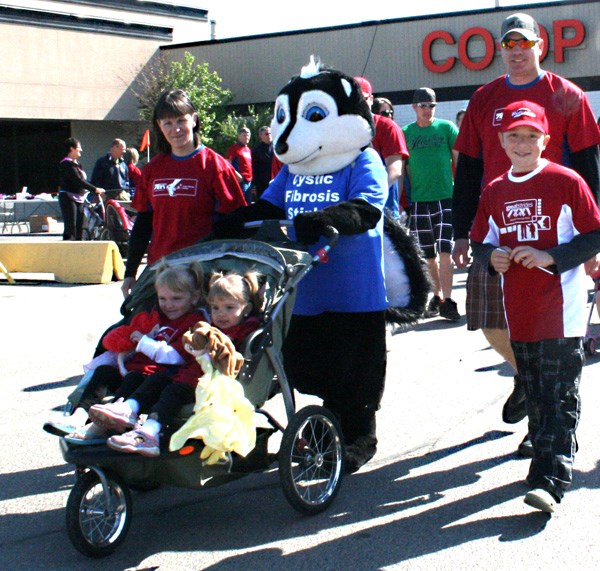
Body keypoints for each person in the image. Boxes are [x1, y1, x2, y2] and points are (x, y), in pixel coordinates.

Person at [452, 12, 600, 455]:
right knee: (488, 324)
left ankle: (544, 426)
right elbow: (470, 168)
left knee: (552, 336)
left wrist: (592, 243)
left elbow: (590, 168)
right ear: (501, 50)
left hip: (554, 237)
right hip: (496, 230)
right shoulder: (484, 98)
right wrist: (462, 233)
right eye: (509, 45)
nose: (517, 51)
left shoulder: (567, 95)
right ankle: (525, 376)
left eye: (525, 43)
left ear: (540, 46)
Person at [469, 100, 600, 513]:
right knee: (538, 393)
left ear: (547, 139)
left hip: (563, 312)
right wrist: (492, 257)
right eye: (513, 137)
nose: (522, 144)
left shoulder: (566, 180)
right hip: (519, 313)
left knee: (558, 395)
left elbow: (594, 235)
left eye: (531, 136)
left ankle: (552, 478)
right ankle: (542, 459)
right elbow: (480, 241)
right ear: (502, 142)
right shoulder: (494, 190)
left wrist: (552, 257)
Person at [93, 269, 262, 457]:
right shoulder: (208, 327)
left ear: (245, 309)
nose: (221, 314)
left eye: (229, 308)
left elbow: (230, 356)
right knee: (156, 380)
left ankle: (150, 432)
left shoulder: (244, 330)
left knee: (172, 393)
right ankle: (127, 410)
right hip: (186, 375)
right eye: (215, 308)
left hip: (208, 385)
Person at [56, 260, 207, 444]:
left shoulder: (194, 322)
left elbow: (176, 357)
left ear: (194, 297)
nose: (169, 305)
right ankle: (80, 414)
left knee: (134, 378)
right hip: (134, 367)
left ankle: (103, 424)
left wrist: (143, 342)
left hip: (157, 375)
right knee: (104, 371)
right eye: (163, 299)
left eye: (176, 299)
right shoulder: (158, 318)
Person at [121, 89, 247, 298]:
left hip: (202, 276)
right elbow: (143, 223)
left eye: (181, 120)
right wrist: (130, 272)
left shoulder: (215, 166)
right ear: (159, 127)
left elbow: (236, 226)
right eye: (167, 123)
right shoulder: (153, 169)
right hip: (161, 273)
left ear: (194, 120)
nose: (175, 129)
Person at [403, 87, 460, 320]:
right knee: (428, 256)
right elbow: (404, 170)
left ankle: (448, 300)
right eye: (423, 105)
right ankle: (436, 297)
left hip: (446, 198)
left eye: (431, 105)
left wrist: (463, 194)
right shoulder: (406, 133)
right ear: (414, 107)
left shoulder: (447, 128)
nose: (428, 110)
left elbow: (459, 161)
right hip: (419, 201)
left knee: (446, 251)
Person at [354, 76, 409, 220]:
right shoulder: (341, 129)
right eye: (352, 100)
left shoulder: (386, 126)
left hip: (383, 210)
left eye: (362, 99)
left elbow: (395, 169)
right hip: (351, 209)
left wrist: (372, 197)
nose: (357, 104)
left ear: (371, 99)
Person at [58, 137, 105, 241]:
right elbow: (78, 180)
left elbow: (83, 181)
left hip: (79, 198)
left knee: (81, 225)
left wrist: (94, 190)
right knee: (71, 226)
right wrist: (95, 189)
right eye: (79, 147)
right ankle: (67, 249)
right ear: (72, 149)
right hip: (68, 197)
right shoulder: (66, 164)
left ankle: (79, 247)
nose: (81, 150)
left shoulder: (77, 164)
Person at [227, 126, 253, 203]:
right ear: (239, 136)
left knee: (248, 204)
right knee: (240, 203)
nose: (247, 137)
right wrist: (237, 176)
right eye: (244, 135)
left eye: (248, 135)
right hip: (241, 181)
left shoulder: (248, 149)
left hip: (249, 181)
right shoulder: (234, 148)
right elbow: (228, 164)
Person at [251, 125, 274, 199]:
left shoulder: (276, 147)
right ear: (261, 136)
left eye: (270, 133)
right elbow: (254, 167)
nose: (269, 135)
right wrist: (255, 184)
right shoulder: (256, 150)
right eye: (266, 134)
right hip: (262, 182)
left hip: (275, 180)